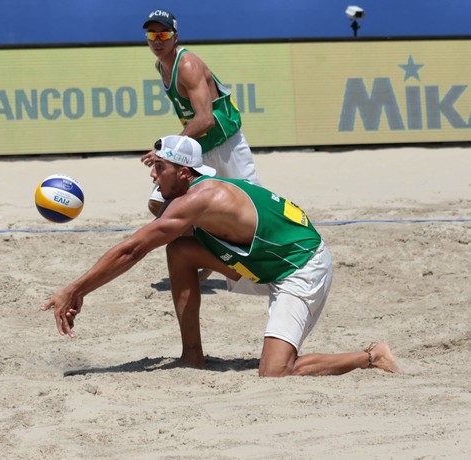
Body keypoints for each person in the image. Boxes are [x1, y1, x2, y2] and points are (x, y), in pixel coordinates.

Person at [41, 135, 400, 377]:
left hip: (300, 268)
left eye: (160, 168)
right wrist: (162, 166)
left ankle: (370, 356)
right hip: (263, 263)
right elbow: (160, 214)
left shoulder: (202, 198)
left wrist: (76, 290)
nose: (152, 174)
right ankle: (192, 355)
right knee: (181, 250)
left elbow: (133, 248)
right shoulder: (192, 188)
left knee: (275, 373)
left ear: (184, 172)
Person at [140, 9, 261, 217]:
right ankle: (199, 245)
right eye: (152, 35)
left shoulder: (187, 65)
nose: (157, 41)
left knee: (253, 205)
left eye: (163, 34)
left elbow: (206, 120)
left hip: (224, 143)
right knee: (160, 202)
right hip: (198, 146)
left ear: (175, 37)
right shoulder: (160, 66)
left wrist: (169, 150)